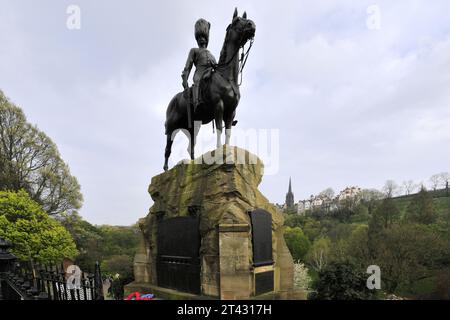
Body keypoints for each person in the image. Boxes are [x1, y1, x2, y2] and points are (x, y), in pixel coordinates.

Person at [181, 18, 217, 112]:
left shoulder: (211, 55)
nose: (201, 39)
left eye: (203, 37)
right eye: (199, 37)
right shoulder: (194, 51)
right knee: (197, 82)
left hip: (210, 75)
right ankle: (197, 104)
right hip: (199, 74)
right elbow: (188, 65)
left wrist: (216, 66)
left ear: (206, 39)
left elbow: (217, 68)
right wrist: (185, 78)